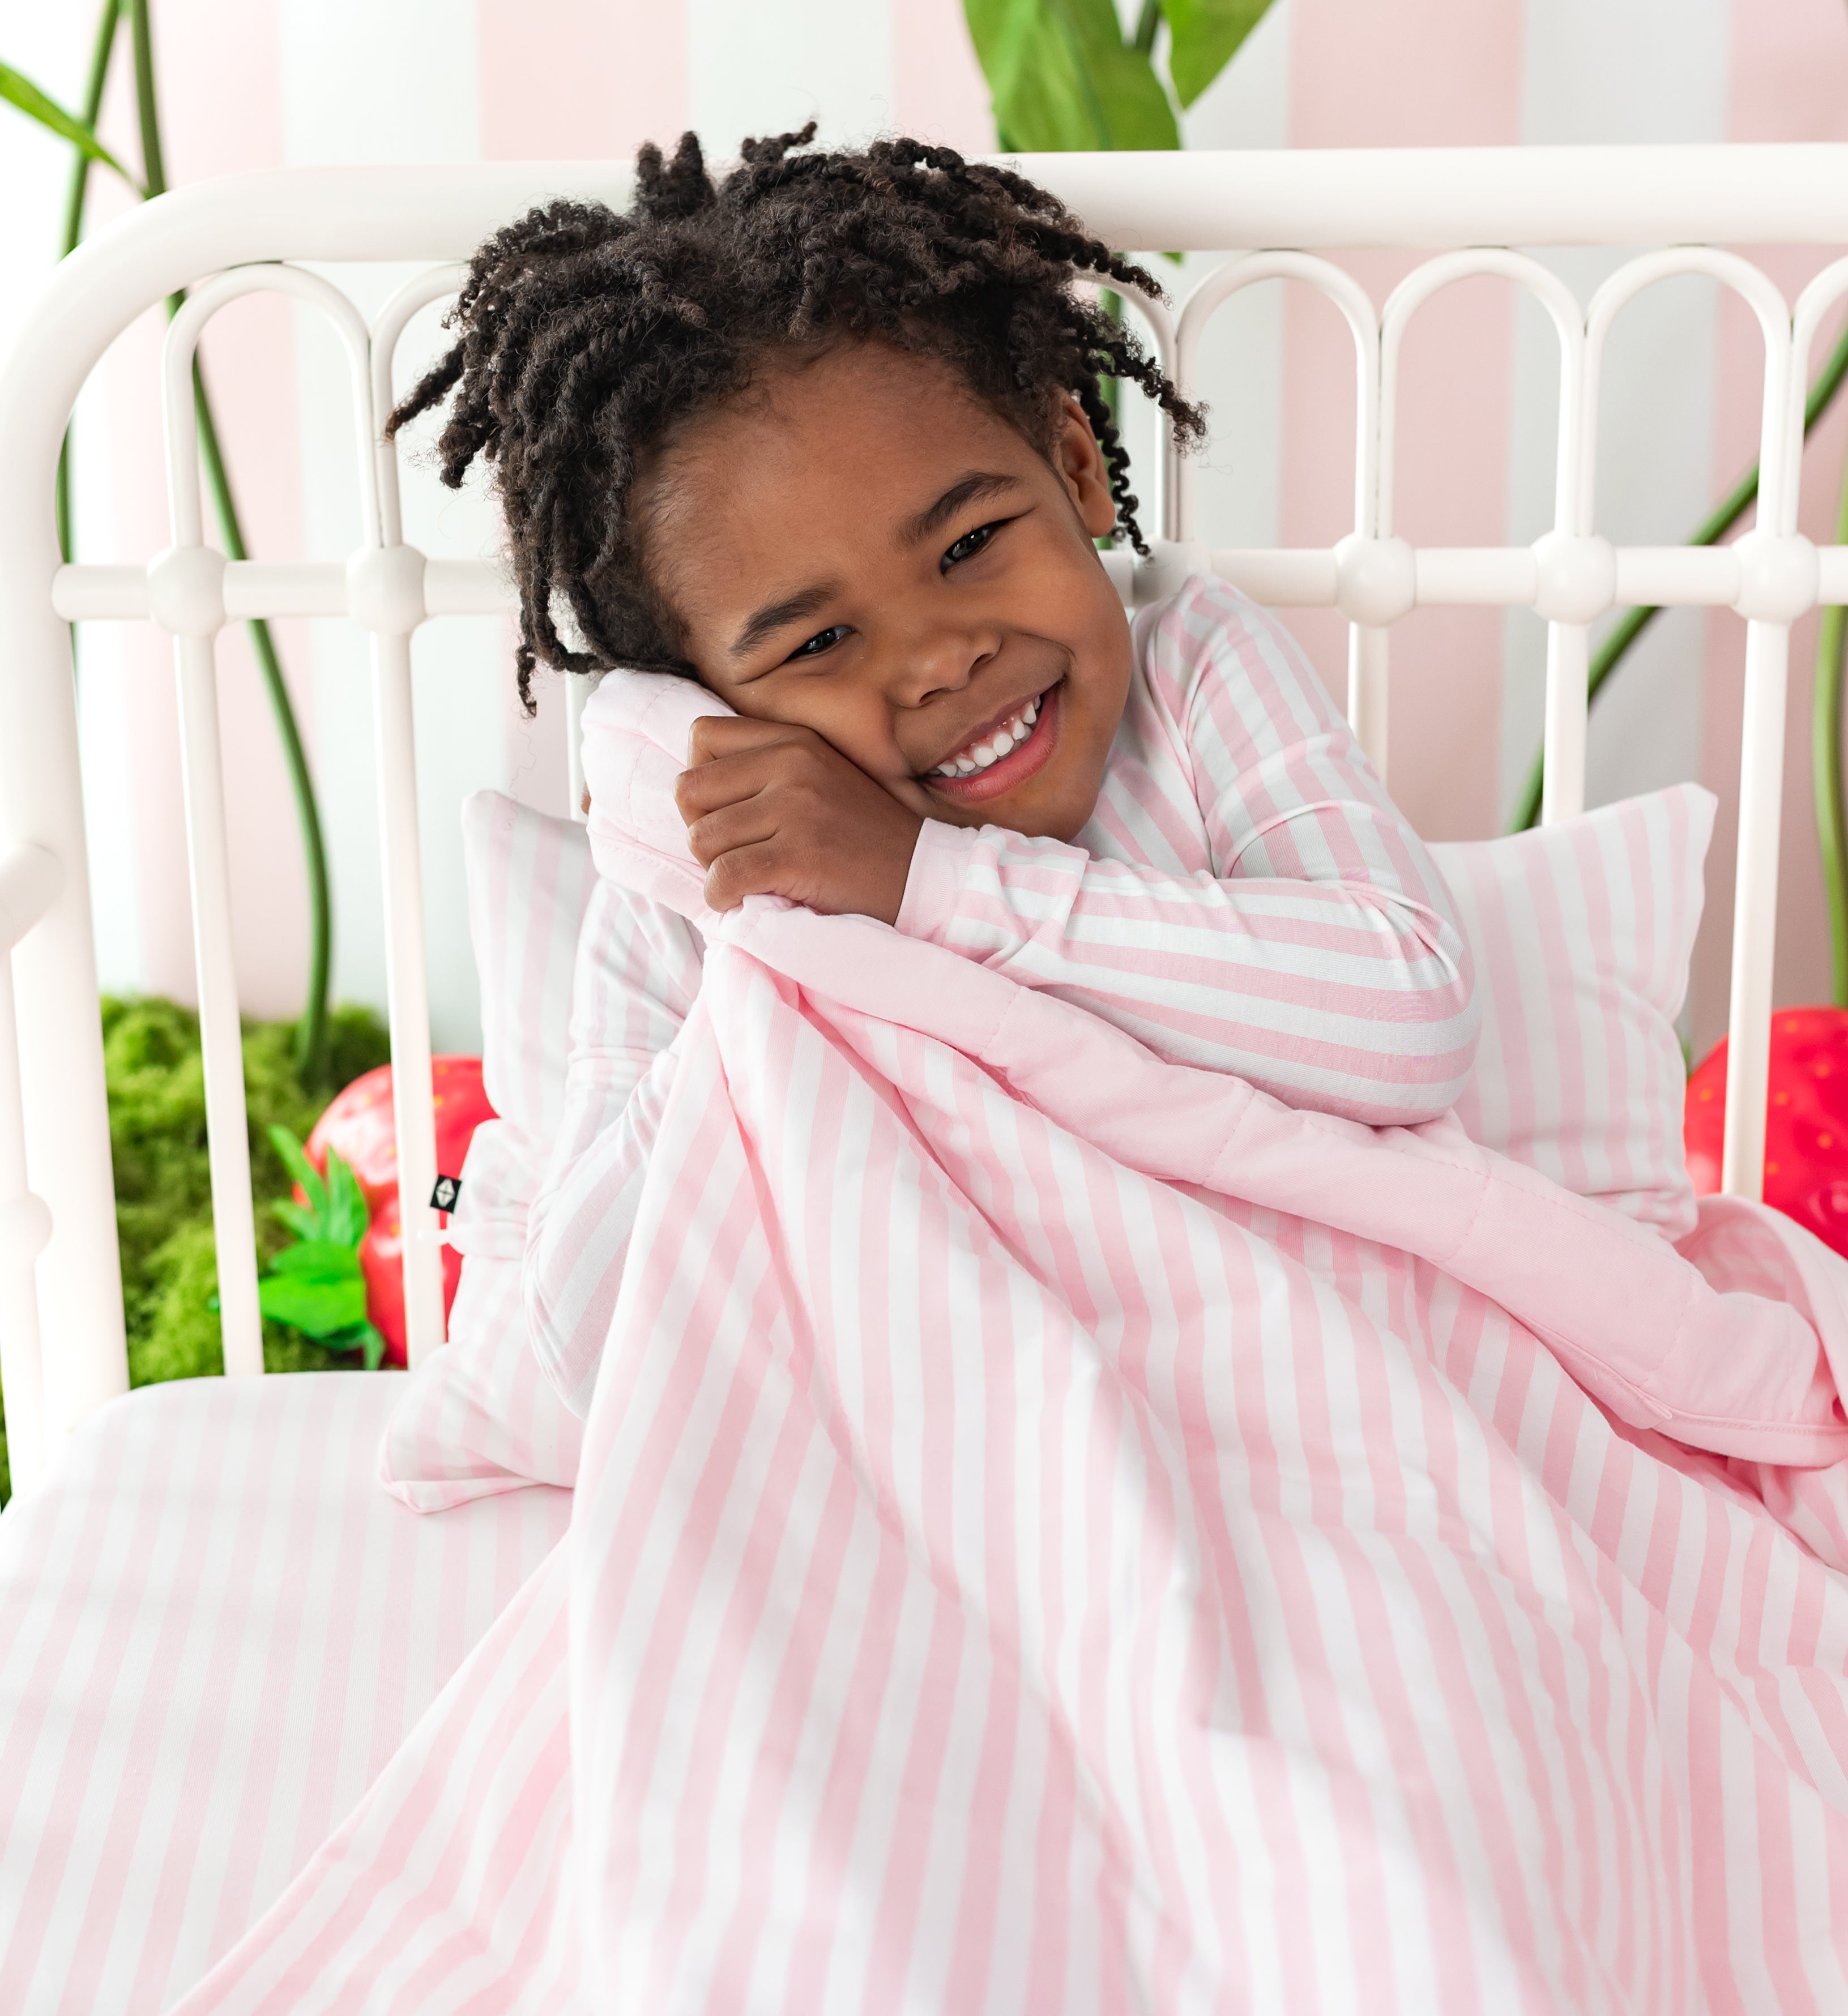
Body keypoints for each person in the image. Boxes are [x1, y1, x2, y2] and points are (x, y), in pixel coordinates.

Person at [390, 128, 1478, 1412]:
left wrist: (928, 888)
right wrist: (766, 917)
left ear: (1075, 468)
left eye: (967, 544)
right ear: (703, 702)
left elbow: (1409, 1018)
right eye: (821, 641)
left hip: (1291, 1405)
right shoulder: (704, 882)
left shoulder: (1195, 673)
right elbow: (587, 1348)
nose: (940, 658)